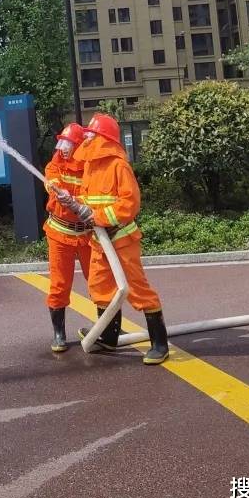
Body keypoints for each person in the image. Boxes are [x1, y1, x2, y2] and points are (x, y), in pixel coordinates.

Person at [75, 113, 169, 365]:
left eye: (92, 135)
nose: (87, 139)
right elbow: (88, 199)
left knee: (137, 289)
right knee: (100, 287)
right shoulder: (90, 166)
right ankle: (107, 337)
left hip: (121, 239)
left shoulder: (119, 166)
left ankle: (160, 344)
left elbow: (130, 204)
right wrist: (78, 208)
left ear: (104, 139)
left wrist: (98, 217)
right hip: (99, 240)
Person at [42, 122, 92, 353]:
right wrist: (57, 190)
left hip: (87, 234)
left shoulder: (90, 168)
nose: (63, 147)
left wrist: (78, 202)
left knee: (100, 283)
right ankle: (59, 333)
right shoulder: (55, 165)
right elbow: (51, 181)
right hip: (60, 234)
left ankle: (108, 326)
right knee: (59, 285)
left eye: (69, 143)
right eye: (62, 142)